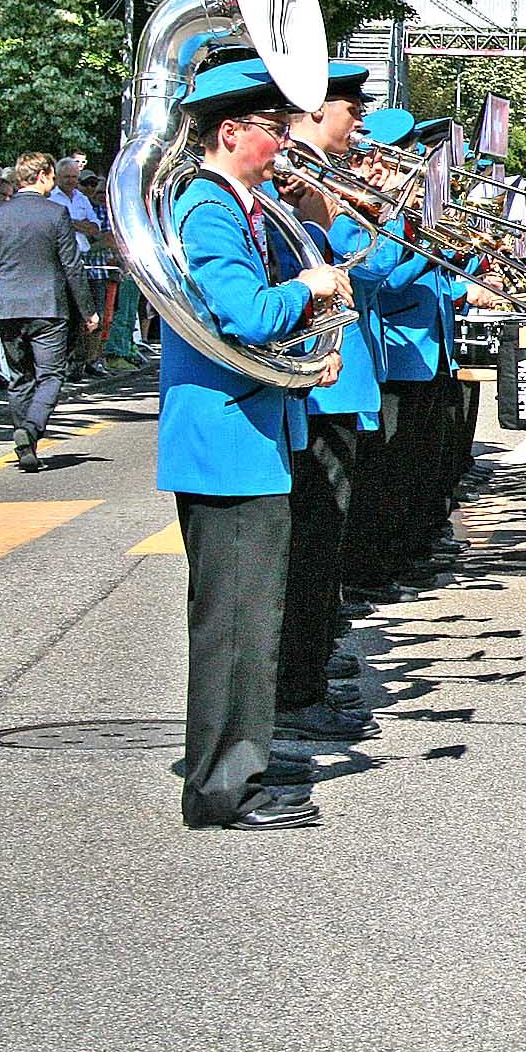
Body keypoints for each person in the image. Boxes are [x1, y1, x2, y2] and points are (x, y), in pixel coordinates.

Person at [158, 59, 350, 831]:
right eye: (270, 130)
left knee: (248, 621)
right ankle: (222, 789)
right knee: (236, 627)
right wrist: (311, 289)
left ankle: (239, 770)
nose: (281, 142)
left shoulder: (241, 203)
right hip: (226, 442)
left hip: (246, 434)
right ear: (231, 132)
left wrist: (309, 352)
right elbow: (242, 313)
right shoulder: (208, 207)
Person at [0, 151, 97, 470]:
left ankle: (25, 447)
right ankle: (29, 430)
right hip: (48, 307)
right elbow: (72, 266)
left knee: (19, 377)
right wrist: (88, 310)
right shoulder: (56, 213)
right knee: (50, 375)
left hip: (7, 306)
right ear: (45, 175)